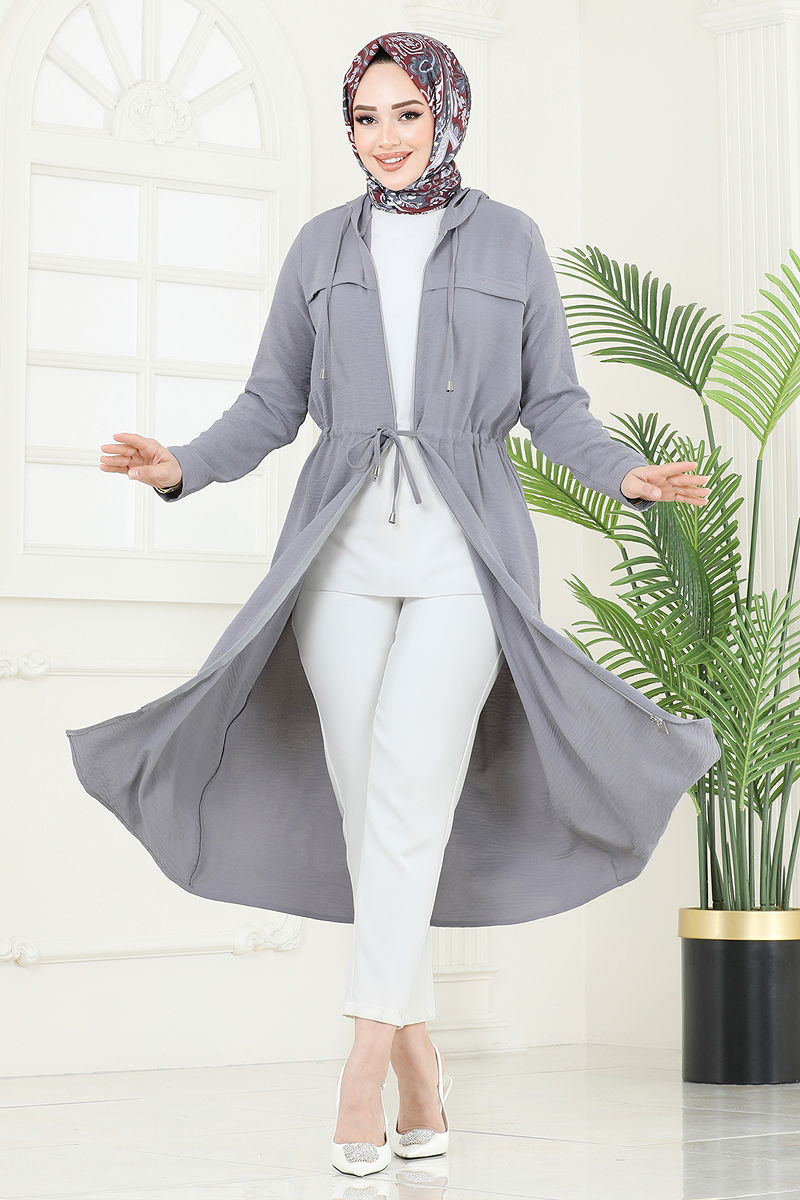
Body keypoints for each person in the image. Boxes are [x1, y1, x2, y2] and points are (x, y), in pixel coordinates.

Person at [92, 33, 712, 1178]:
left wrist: (622, 473)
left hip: (463, 558)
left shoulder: (511, 241)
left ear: (447, 116)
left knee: (409, 787)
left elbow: (554, 405)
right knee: (368, 806)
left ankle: (361, 1067)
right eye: (364, 118)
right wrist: (181, 466)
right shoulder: (318, 246)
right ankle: (422, 1062)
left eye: (405, 114)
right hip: (335, 556)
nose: (383, 138)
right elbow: (269, 404)